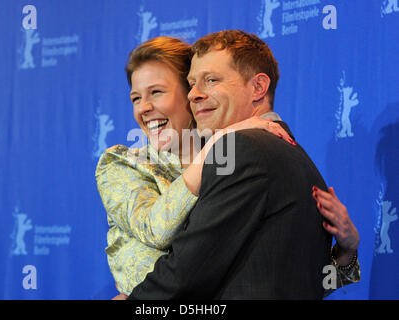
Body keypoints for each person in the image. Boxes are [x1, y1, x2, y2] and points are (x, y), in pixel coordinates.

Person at [96, 35, 359, 300]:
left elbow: (191, 272)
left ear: (258, 87)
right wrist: (347, 256)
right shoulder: (126, 162)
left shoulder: (240, 153)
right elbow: (277, 276)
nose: (196, 93)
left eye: (157, 92)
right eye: (135, 98)